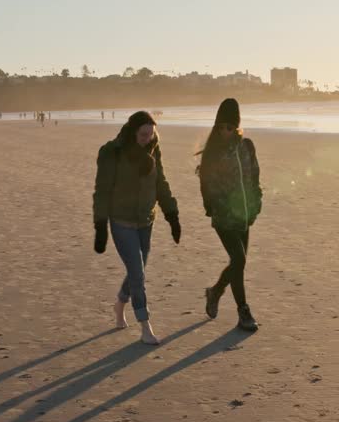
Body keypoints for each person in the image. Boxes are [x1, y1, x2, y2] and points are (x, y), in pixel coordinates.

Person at [93, 110, 180, 345]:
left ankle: (120, 303)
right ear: (133, 132)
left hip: (146, 220)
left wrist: (172, 214)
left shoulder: (153, 149)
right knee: (138, 274)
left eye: (151, 134)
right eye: (143, 134)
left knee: (137, 271)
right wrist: (100, 226)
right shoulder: (112, 152)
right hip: (121, 221)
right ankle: (145, 325)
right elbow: (101, 191)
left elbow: (160, 182)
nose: (147, 138)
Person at [197, 98, 262, 331]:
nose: (225, 131)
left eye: (230, 127)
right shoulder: (214, 153)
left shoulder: (247, 147)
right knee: (239, 259)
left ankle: (215, 291)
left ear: (237, 127)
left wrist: (257, 203)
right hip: (224, 217)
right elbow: (207, 184)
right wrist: (214, 207)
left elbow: (254, 177)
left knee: (238, 264)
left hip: (245, 215)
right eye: (221, 127)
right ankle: (243, 311)